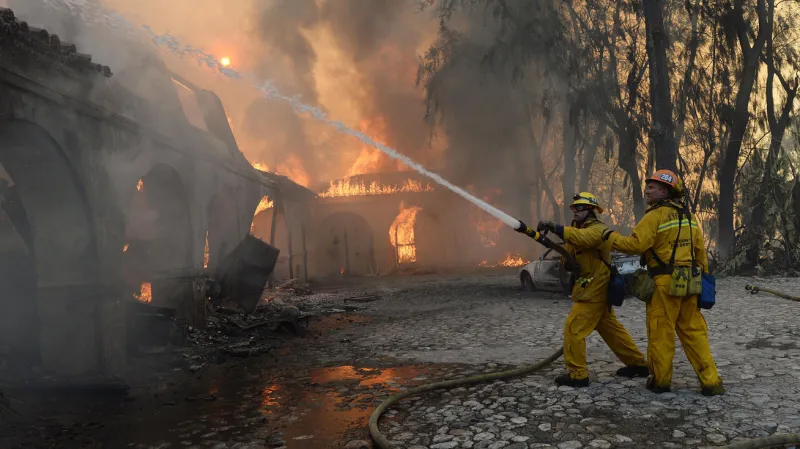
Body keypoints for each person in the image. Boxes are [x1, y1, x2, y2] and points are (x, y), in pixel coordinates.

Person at [602, 169, 725, 396]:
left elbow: (636, 245)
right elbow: (700, 255)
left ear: (665, 191)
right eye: (647, 186)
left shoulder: (654, 215)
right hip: (690, 283)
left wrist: (608, 236)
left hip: (664, 284)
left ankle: (661, 381)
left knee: (661, 333)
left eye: (652, 187)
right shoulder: (689, 217)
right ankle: (711, 382)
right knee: (695, 334)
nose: (647, 190)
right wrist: (702, 284)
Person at [537, 192, 649, 387]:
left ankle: (578, 375)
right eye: (574, 208)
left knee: (573, 328)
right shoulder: (576, 229)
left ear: (591, 210)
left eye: (580, 208)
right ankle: (638, 364)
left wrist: (556, 227)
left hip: (594, 290)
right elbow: (570, 252)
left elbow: (584, 239)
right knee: (612, 331)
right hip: (592, 289)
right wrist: (567, 262)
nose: (575, 211)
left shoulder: (598, 229)